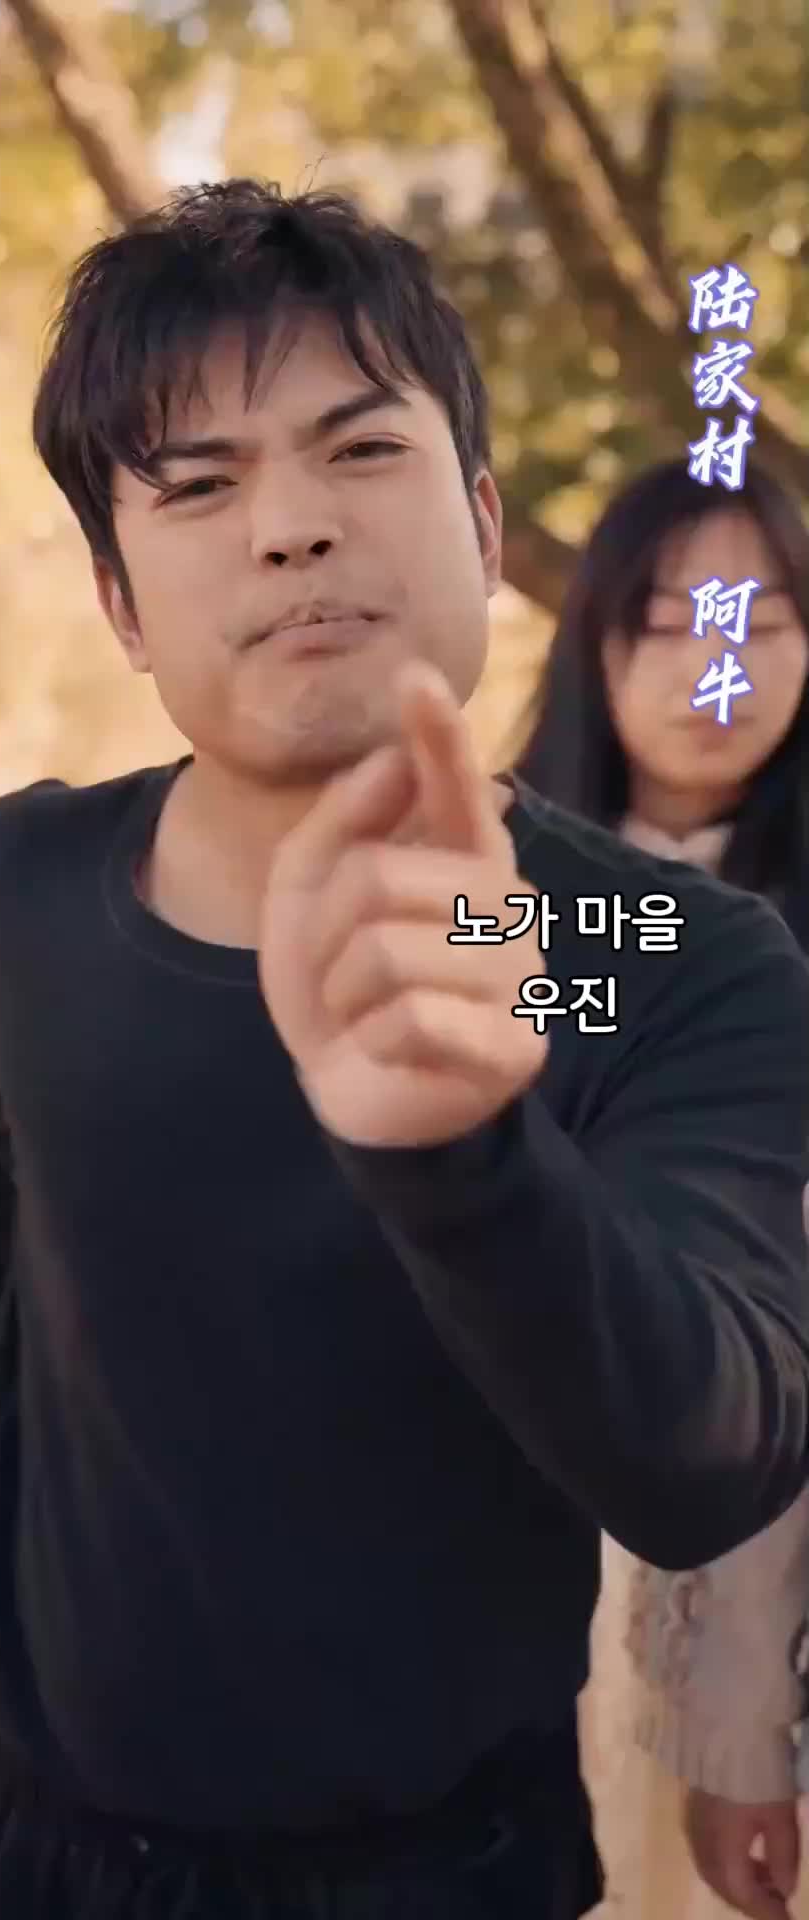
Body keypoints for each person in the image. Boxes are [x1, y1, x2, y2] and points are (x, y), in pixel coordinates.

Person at [0, 182, 809, 1920]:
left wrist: (466, 1158)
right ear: (120, 601)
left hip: (447, 1873)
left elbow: (709, 1456)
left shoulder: (660, 954)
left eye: (361, 449)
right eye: (198, 485)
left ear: (484, 517)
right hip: (30, 1853)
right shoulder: (11, 894)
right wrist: (3, 1493)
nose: (292, 527)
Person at [516, 458, 809, 1920]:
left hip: (768, 1553)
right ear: (595, 640)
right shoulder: (489, 895)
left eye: (762, 621)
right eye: (675, 621)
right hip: (509, 1548)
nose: (720, 666)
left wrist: (745, 1717)